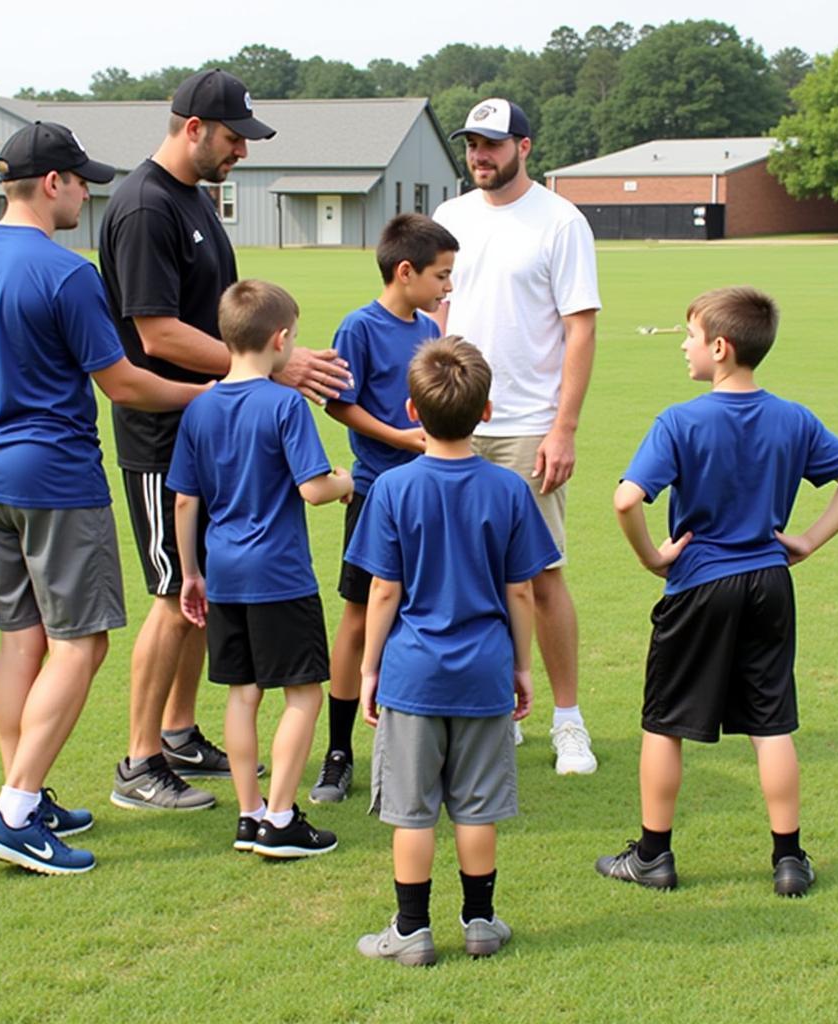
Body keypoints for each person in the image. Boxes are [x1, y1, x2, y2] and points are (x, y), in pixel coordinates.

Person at [0, 121, 211, 875]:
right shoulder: (68, 274)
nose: (87, 193)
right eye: (79, 182)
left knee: (22, 640)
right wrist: (213, 393)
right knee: (81, 642)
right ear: (51, 185)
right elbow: (125, 383)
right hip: (56, 482)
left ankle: (26, 792)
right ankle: (14, 809)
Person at [99, 70, 352, 811]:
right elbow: (157, 331)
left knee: (193, 599)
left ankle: (177, 732)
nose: (241, 149)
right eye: (234, 136)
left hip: (208, 431)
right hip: (163, 435)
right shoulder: (146, 206)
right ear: (192, 128)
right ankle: (139, 761)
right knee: (174, 591)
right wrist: (273, 366)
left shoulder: (190, 201)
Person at [597, 286, 838, 896]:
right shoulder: (794, 418)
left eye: (689, 337)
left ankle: (652, 856)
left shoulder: (679, 420)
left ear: (720, 348)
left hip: (700, 585)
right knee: (771, 723)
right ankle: (789, 861)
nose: (684, 348)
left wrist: (653, 559)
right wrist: (807, 541)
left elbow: (625, 500)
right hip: (770, 584)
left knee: (664, 722)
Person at [350, 337, 560, 965]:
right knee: (476, 805)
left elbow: (383, 590)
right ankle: (480, 923)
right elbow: (520, 590)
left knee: (412, 812)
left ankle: (411, 931)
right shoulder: (509, 489)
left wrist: (368, 670)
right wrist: (522, 667)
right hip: (483, 671)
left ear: (412, 411)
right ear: (487, 410)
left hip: (412, 674)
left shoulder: (392, 489)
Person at [433, 98, 600, 775]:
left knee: (541, 574)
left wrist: (563, 428)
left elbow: (580, 328)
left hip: (531, 425)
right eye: (472, 143)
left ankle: (568, 721)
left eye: (493, 144)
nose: (480, 155)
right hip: (456, 422)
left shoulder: (561, 222)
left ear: (524, 147)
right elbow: (436, 310)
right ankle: (491, 709)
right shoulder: (449, 218)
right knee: (466, 575)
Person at [168, 279, 354, 856]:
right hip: (280, 574)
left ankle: (249, 813)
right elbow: (312, 489)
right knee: (303, 693)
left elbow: (183, 500)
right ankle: (281, 818)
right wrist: (347, 482)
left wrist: (191, 572)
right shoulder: (284, 405)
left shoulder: (199, 409)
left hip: (222, 572)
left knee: (241, 692)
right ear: (280, 340)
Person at [307, 213, 458, 804]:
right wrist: (399, 438)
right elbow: (338, 405)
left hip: (431, 494)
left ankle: (427, 747)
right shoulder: (360, 327)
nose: (448, 287)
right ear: (405, 271)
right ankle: (339, 751)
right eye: (441, 276)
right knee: (358, 620)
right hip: (375, 495)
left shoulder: (428, 328)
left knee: (427, 617)